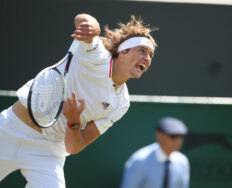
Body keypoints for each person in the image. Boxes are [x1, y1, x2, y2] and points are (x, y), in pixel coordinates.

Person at [0, 13, 157, 188]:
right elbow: (82, 18)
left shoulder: (121, 103)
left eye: (151, 55)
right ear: (124, 51)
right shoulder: (97, 55)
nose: (147, 58)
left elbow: (74, 147)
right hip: (9, 129)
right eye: (143, 51)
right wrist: (92, 26)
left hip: (48, 150)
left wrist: (74, 122)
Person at [120, 117, 190, 188]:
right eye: (173, 136)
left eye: (181, 137)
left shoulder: (182, 161)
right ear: (159, 135)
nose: (178, 141)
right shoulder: (140, 161)